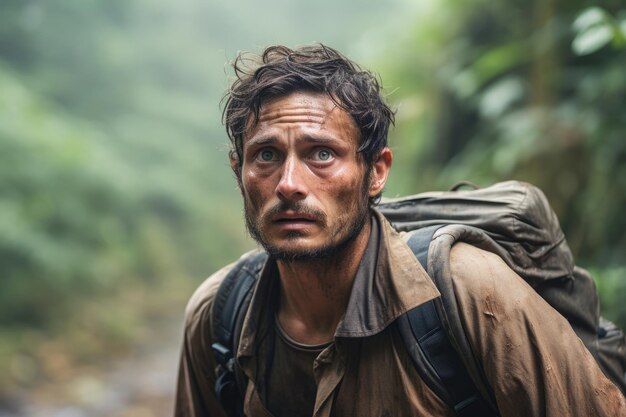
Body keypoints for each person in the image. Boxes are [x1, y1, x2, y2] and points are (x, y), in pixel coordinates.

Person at [174, 44, 625, 417]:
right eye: (267, 156)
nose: (289, 184)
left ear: (376, 172)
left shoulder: (469, 293)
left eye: (322, 154)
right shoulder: (220, 316)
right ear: (240, 173)